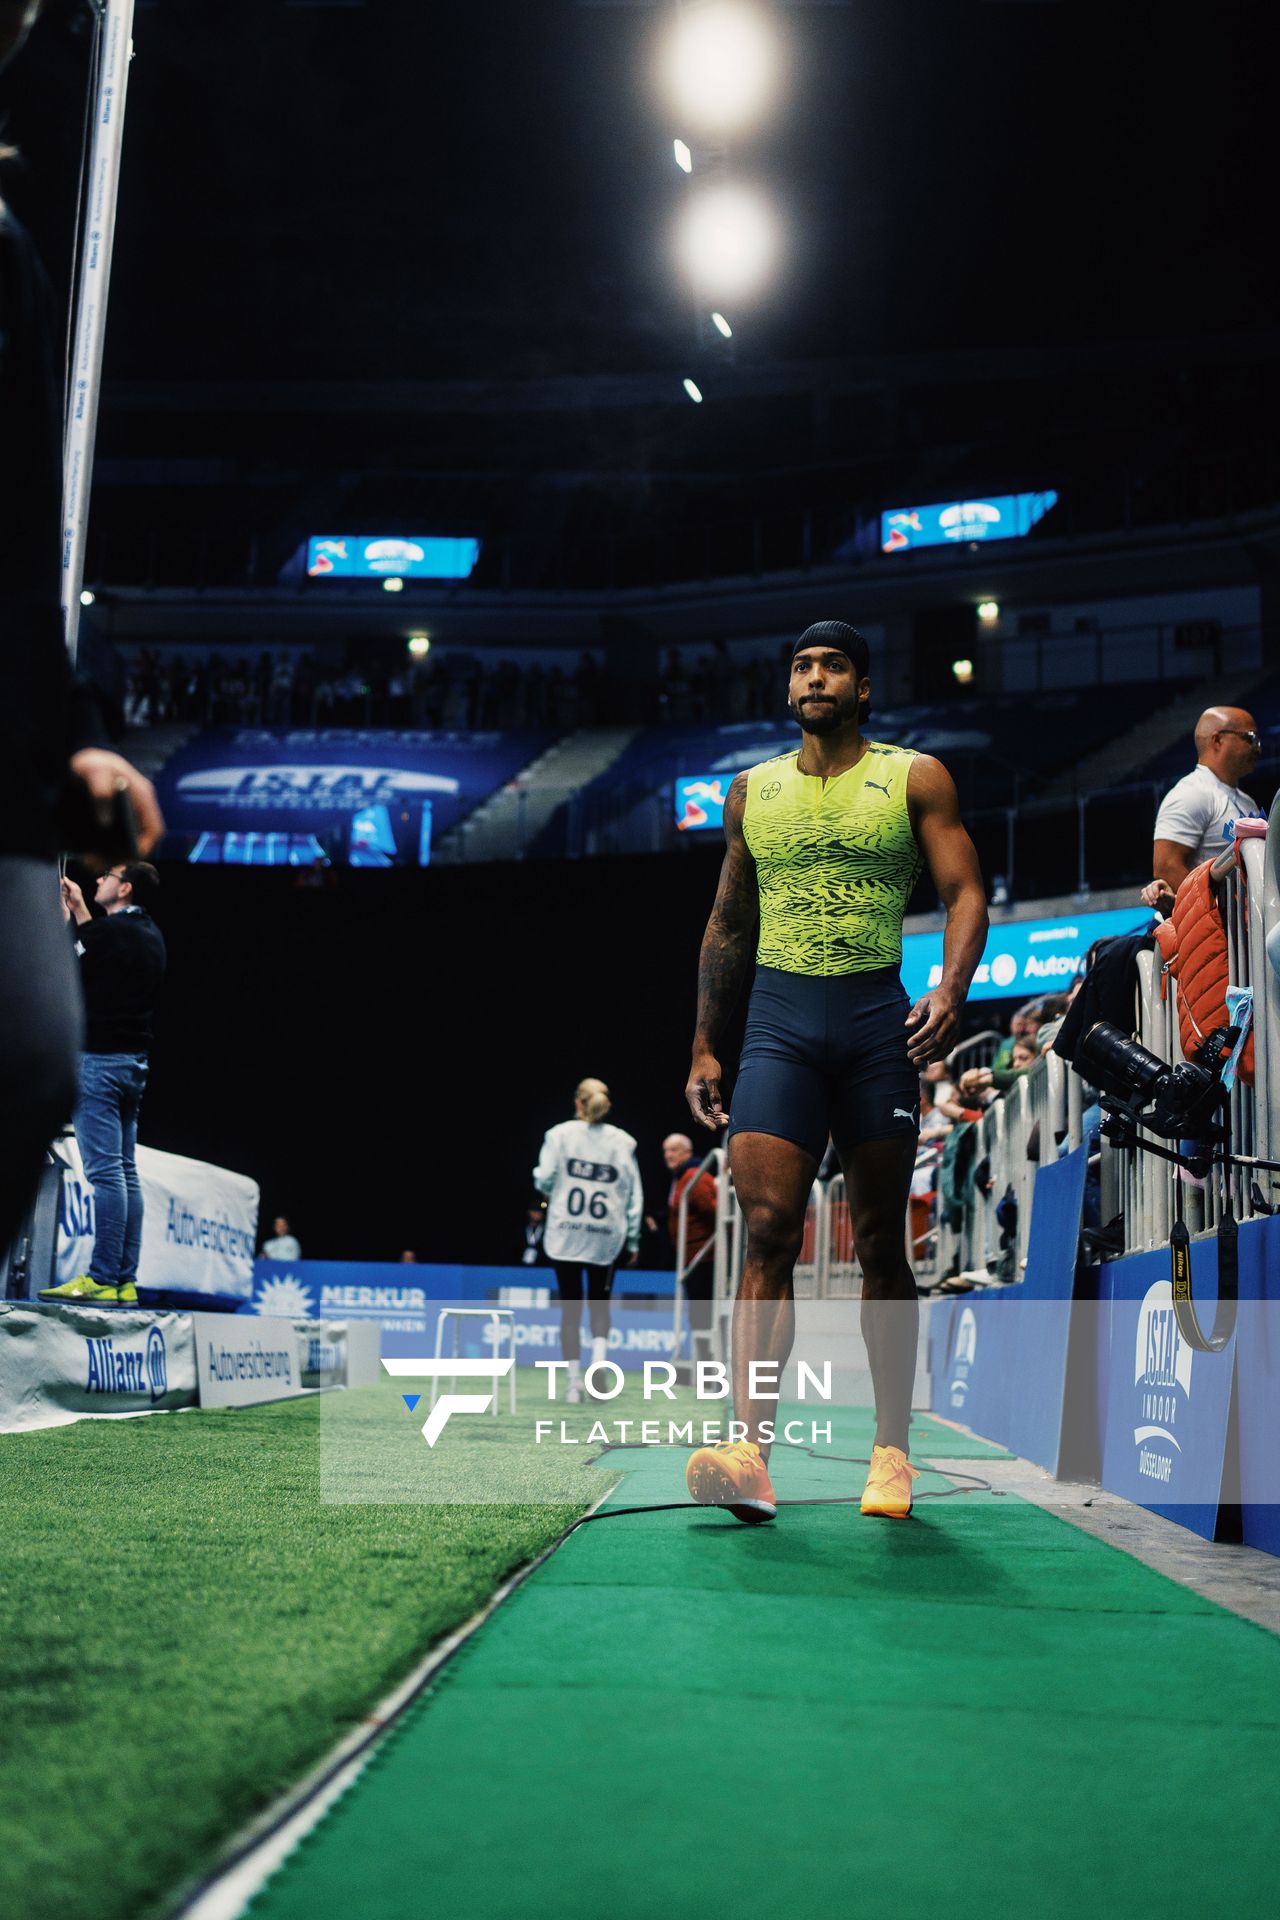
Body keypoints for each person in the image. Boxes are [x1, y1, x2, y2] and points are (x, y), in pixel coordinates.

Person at [683, 620, 987, 1521]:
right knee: (769, 1226)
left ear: (862, 688)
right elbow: (729, 924)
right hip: (777, 1024)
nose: (815, 677)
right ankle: (750, 1453)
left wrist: (952, 987)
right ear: (788, 690)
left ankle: (891, 1451)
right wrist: (705, 1042)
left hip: (870, 1025)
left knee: (881, 1245)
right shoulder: (751, 792)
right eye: (802, 666)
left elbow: (965, 891)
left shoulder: (914, 776)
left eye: (834, 666)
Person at [0, 2, 164, 1269]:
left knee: (25, 1060)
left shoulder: (10, 254)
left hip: (3, 768)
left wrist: (80, 738)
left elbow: (16, 539)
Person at [39, 863, 166, 1305]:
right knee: (126, 1173)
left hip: (98, 1065)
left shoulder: (110, 936)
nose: (97, 882)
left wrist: (62, 921)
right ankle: (123, 1281)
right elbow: (101, 960)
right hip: (133, 1066)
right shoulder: (148, 935)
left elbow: (68, 968)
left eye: (108, 876)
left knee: (107, 1176)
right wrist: (78, 912)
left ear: (124, 887)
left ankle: (101, 1277)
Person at [532, 1078, 642, 1404]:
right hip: (605, 1236)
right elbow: (633, 1195)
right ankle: (597, 1369)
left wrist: (553, 1189)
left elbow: (544, 1178)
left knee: (570, 1308)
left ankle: (572, 1386)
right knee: (599, 1304)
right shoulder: (623, 1142)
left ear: (578, 1103)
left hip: (566, 1232)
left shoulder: (558, 1135)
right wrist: (633, 1239)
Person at [1143, 706, 1263, 909]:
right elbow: (1166, 867)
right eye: (1250, 738)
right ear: (1217, 740)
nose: (1257, 747)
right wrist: (1215, 913)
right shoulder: (1191, 793)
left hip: (1244, 928)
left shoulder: (1246, 801)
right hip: (1218, 933)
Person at [663, 1131, 718, 1336]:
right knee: (697, 1317)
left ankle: (707, 1364)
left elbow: (716, 1212)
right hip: (692, 1259)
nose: (668, 1155)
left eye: (674, 1150)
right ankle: (703, 1362)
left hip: (703, 1260)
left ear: (687, 1152)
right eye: (666, 1151)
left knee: (703, 1317)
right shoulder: (682, 1177)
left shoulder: (694, 1177)